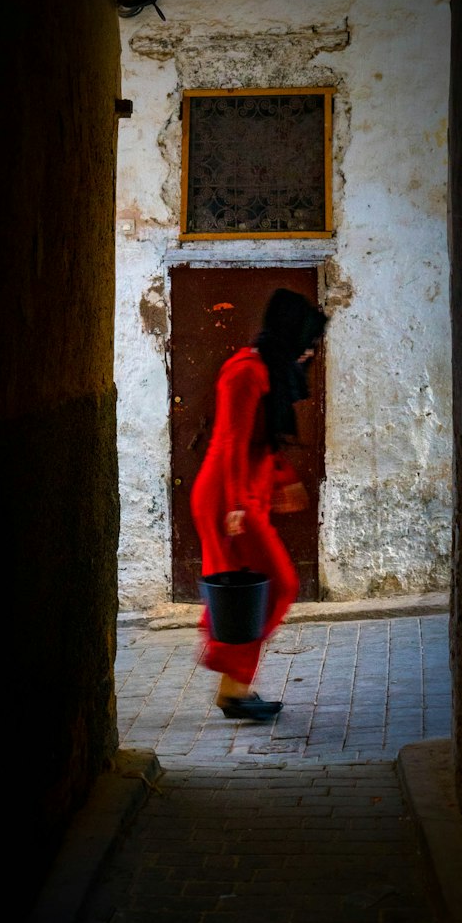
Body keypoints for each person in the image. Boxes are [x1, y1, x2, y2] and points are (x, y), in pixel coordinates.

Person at [191, 287, 328, 720]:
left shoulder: (269, 371)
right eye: (306, 344)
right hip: (227, 500)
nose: (309, 354)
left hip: (246, 496)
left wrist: (283, 480)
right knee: (278, 586)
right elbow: (231, 440)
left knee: (254, 594)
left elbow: (261, 440)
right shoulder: (244, 372)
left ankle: (232, 681)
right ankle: (227, 665)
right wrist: (235, 504)